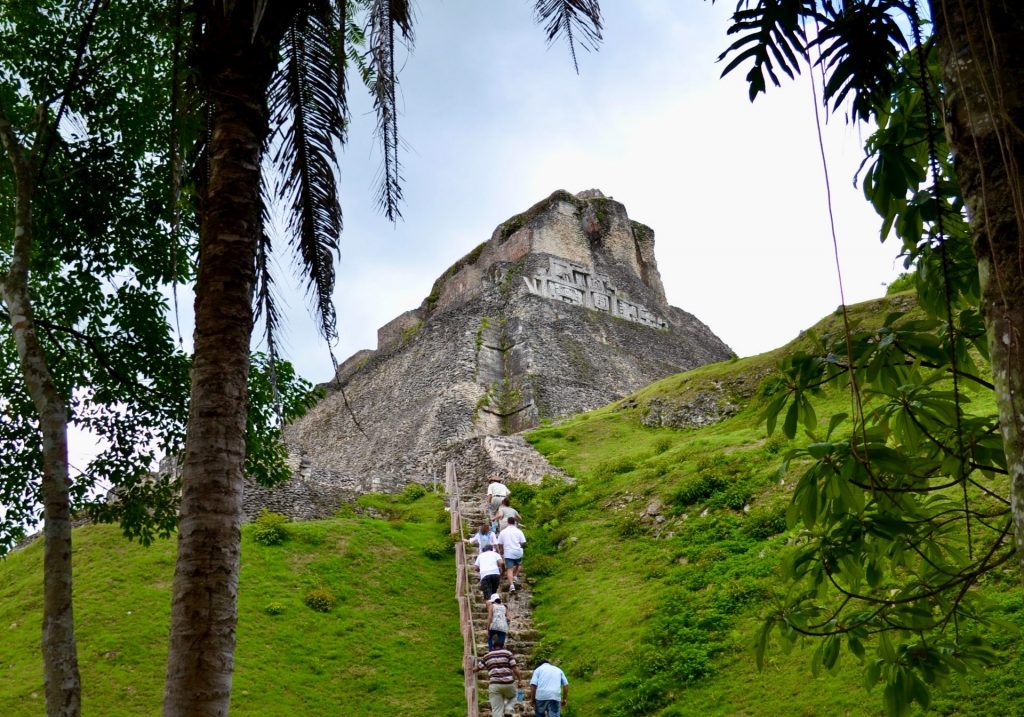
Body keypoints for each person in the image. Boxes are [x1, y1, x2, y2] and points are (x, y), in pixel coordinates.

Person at [475, 632, 524, 717]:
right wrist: (520, 680)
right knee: (514, 696)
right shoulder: (508, 653)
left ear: (493, 647)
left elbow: (479, 667)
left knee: (497, 709)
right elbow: (514, 668)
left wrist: (471, 669)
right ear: (503, 646)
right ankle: (508, 709)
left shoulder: (487, 656)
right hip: (508, 683)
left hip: (494, 685)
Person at [495, 516, 526, 591]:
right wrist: (520, 547)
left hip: (508, 552)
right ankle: (515, 576)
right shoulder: (519, 531)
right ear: (515, 522)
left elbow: (499, 543)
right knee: (519, 564)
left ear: (508, 523)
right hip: (518, 551)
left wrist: (501, 550)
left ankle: (512, 585)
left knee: (509, 569)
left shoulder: (503, 532)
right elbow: (523, 542)